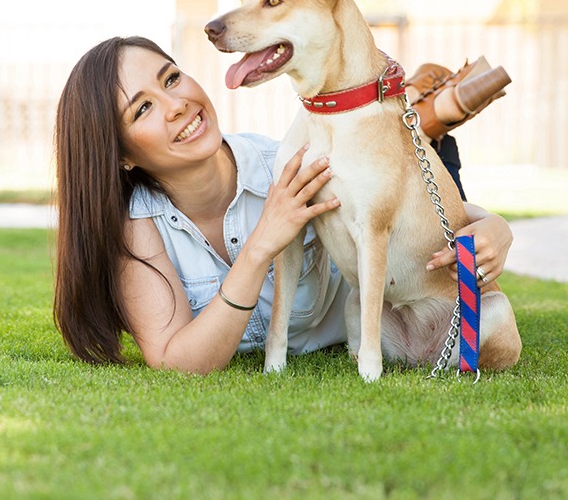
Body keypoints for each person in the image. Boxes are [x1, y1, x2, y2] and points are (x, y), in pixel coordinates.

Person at [52, 36, 513, 374]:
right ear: (121, 156)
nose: (176, 104)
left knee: (391, 155)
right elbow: (178, 363)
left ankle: (424, 116)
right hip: (378, 216)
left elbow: (406, 210)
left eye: (171, 78)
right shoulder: (137, 226)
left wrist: (494, 226)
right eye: (142, 109)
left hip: (404, 230)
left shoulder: (287, 164)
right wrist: (261, 245)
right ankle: (429, 109)